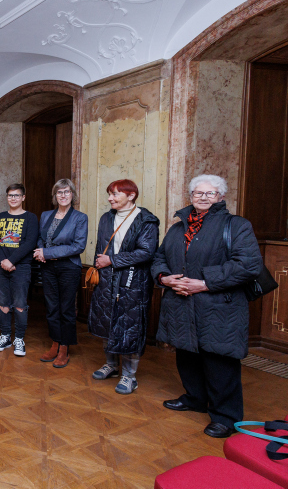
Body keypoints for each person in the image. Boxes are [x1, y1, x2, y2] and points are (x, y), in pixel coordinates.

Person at [152, 175, 261, 438]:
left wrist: (204, 283)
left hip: (219, 306)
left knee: (219, 361)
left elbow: (248, 265)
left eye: (210, 193)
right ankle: (195, 398)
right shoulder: (178, 228)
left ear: (221, 197)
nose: (203, 197)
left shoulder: (237, 225)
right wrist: (165, 278)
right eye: (198, 193)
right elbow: (159, 257)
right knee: (187, 355)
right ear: (190, 197)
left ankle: (225, 417)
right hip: (181, 304)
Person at [89, 179, 159, 395]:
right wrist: (101, 267)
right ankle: (111, 365)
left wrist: (112, 260)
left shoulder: (146, 220)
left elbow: (146, 252)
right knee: (106, 322)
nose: (110, 198)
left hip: (133, 282)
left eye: (115, 194)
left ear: (131, 195)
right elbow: (101, 248)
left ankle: (129, 376)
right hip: (106, 280)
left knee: (130, 327)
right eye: (109, 194)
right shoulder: (106, 218)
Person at [34, 179, 88, 368]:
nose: (63, 195)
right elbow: (40, 238)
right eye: (59, 192)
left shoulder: (80, 218)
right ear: (55, 195)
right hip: (48, 267)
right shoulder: (46, 215)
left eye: (67, 192)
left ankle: (64, 347)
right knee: (51, 307)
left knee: (66, 308)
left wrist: (47, 253)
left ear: (73, 194)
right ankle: (55, 342)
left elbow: (78, 246)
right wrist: (40, 252)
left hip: (69, 268)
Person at [0, 183, 39, 357]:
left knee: (19, 303)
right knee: (3, 302)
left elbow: (30, 242)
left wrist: (11, 260)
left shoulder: (30, 218)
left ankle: (19, 338)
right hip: (0, 266)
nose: (13, 198)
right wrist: (3, 261)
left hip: (21, 267)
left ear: (23, 197)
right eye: (10, 195)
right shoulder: (0, 217)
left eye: (17, 195)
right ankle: (5, 336)